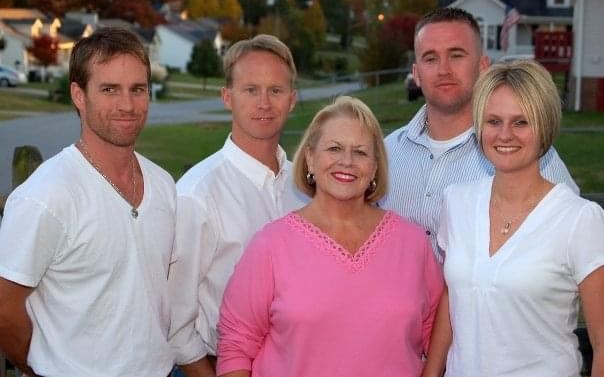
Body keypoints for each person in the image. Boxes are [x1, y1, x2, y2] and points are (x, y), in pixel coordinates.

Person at [216, 96, 444, 377]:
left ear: (375, 166)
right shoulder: (271, 245)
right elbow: (236, 345)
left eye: (360, 152)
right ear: (310, 158)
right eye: (334, 148)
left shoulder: (413, 244)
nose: (346, 161)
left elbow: (438, 333)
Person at [0, 27, 176, 377]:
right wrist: (35, 367)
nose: (127, 105)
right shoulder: (47, 195)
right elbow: (5, 309)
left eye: (137, 89)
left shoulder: (164, 185)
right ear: (79, 95)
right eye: (109, 89)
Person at [421, 60, 604, 377]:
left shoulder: (579, 220)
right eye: (493, 121)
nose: (505, 134)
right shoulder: (456, 202)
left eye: (521, 122)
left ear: (544, 125)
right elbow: (454, 296)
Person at [379, 7, 578, 263]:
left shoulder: (523, 155)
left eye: (456, 55)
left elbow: (575, 241)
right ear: (416, 74)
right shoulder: (386, 153)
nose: (443, 69)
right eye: (430, 58)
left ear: (483, 65)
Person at [168, 34, 307, 377]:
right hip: (218, 366)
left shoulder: (306, 187)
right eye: (250, 90)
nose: (264, 103)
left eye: (276, 90)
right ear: (227, 97)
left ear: (292, 100)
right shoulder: (197, 195)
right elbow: (173, 321)